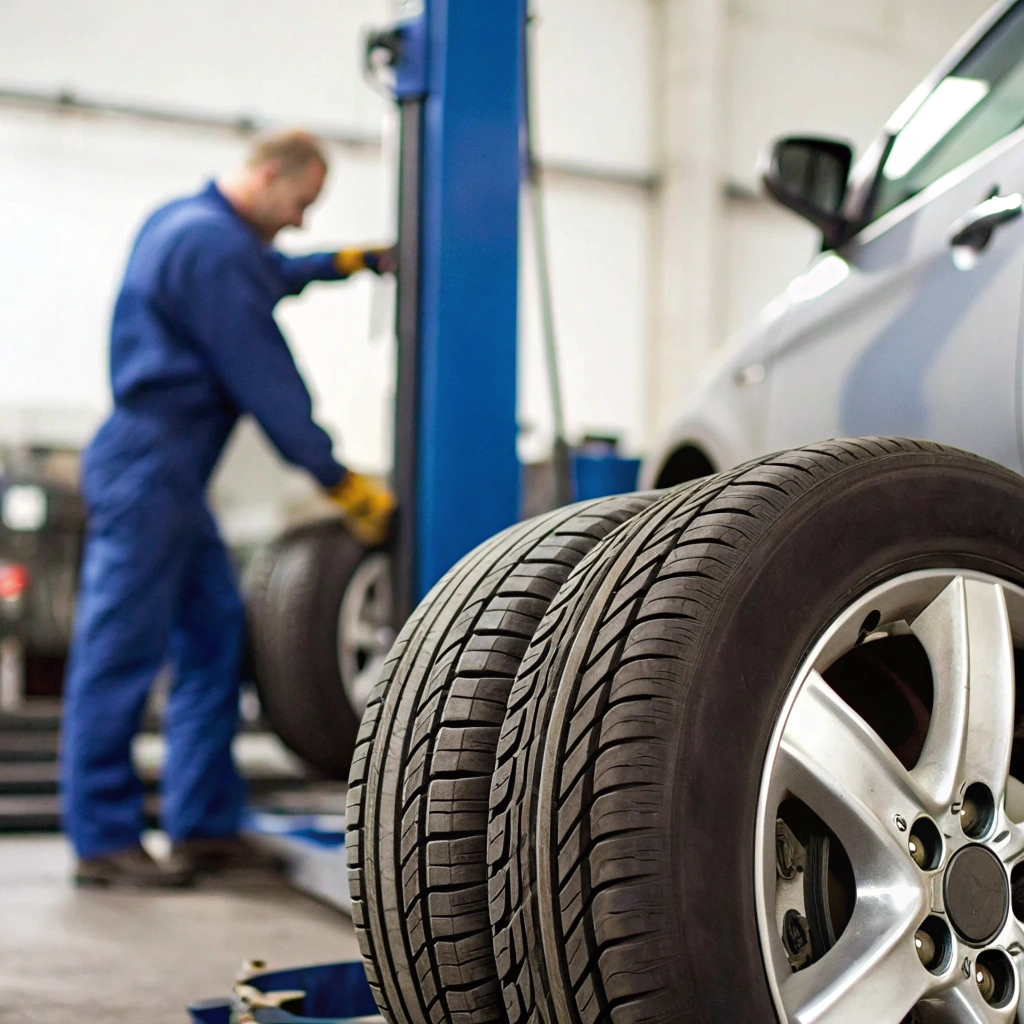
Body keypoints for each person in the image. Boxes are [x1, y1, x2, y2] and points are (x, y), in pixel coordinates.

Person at [61, 129, 396, 887]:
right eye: (302, 203)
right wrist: (338, 479)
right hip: (151, 468)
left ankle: (204, 826)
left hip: (171, 474)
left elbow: (264, 274)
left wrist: (344, 265)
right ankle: (103, 839)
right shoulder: (212, 248)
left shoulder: (189, 225)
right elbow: (266, 378)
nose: (302, 221)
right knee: (121, 654)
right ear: (271, 174)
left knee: (213, 633)